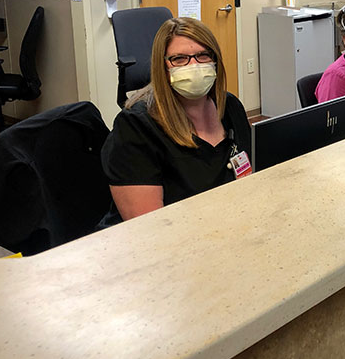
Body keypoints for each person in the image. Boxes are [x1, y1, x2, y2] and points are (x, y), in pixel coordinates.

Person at [101, 17, 251, 220]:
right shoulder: (136, 128)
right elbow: (149, 227)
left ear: (215, 61)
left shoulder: (229, 106)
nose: (194, 66)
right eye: (179, 59)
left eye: (203, 56)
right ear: (163, 67)